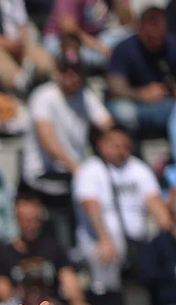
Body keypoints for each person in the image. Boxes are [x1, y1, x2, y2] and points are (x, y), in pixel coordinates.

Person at [73, 126, 173, 292]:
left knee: (162, 245)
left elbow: (156, 205)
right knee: (109, 250)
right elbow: (91, 206)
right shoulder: (90, 170)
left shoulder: (139, 169)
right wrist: (105, 239)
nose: (120, 150)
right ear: (101, 144)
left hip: (136, 240)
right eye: (115, 145)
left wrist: (168, 234)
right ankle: (106, 298)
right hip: (98, 238)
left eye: (125, 146)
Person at [22, 47, 112, 225]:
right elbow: (48, 141)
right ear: (58, 72)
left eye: (76, 71)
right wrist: (78, 169)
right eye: (66, 70)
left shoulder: (85, 96)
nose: (72, 76)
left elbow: (108, 126)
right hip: (44, 172)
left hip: (75, 172)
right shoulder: (43, 96)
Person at [106, 6, 176, 138]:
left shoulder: (174, 45)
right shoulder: (124, 49)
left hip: (166, 105)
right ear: (140, 29)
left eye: (160, 36)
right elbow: (114, 87)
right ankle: (131, 151)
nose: (156, 41)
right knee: (123, 111)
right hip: (135, 105)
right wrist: (141, 94)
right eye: (151, 37)